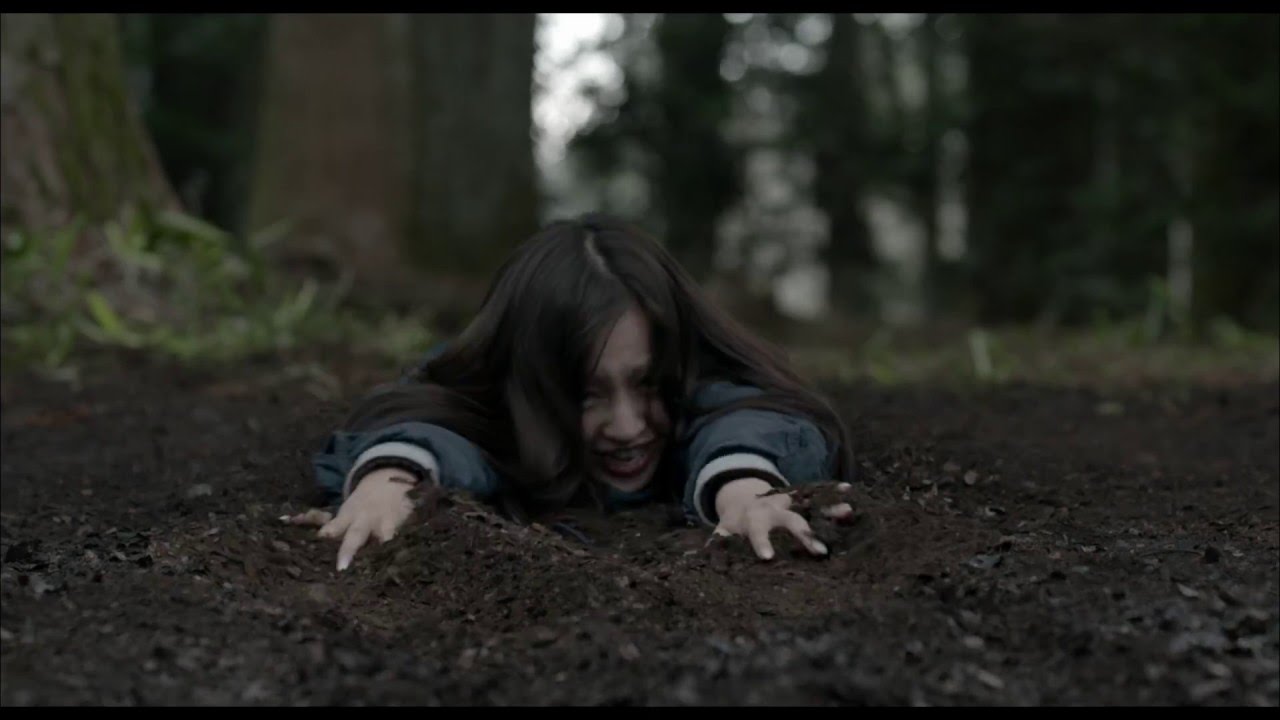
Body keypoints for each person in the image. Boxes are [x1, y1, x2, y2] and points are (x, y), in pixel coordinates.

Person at [284, 214, 855, 571]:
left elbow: (745, 413)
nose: (628, 426)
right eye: (588, 394)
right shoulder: (494, 391)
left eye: (647, 384)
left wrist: (743, 487)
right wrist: (389, 481)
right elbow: (443, 422)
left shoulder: (703, 378)